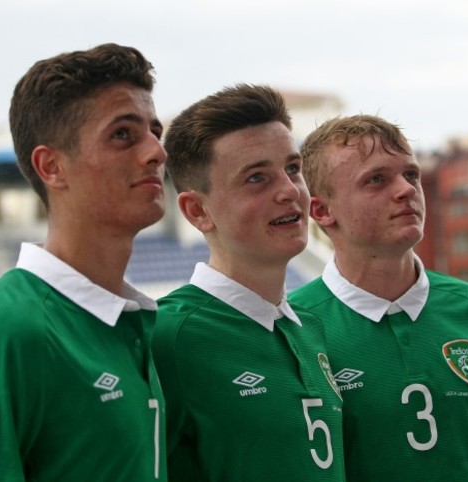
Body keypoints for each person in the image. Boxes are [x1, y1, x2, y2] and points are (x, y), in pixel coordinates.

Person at [0, 43, 168, 481]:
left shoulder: (141, 324)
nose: (156, 151)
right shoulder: (10, 333)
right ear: (51, 167)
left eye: (155, 131)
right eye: (123, 135)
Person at [289, 114, 468, 481]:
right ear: (323, 211)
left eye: (411, 174)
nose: (406, 189)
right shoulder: (293, 327)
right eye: (376, 179)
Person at [151, 84, 345, 481]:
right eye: (257, 178)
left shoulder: (310, 327)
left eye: (293, 169)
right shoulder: (167, 336)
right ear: (197, 210)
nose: (290, 191)